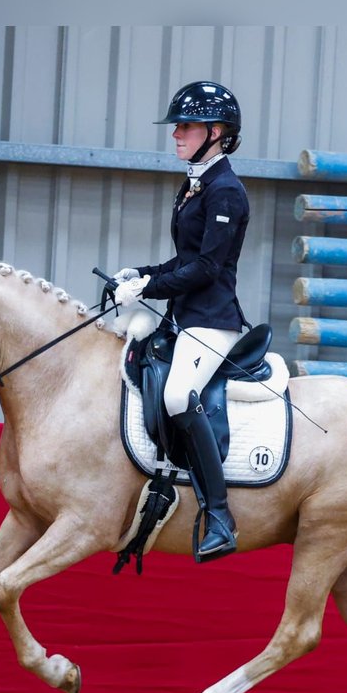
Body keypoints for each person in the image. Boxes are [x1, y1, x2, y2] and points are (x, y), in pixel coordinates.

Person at [113, 80, 251, 563]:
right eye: (178, 126)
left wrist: (147, 290)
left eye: (186, 126)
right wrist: (143, 273)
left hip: (213, 319)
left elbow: (208, 269)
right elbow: (183, 259)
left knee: (177, 395)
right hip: (185, 314)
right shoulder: (195, 185)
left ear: (216, 132)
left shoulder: (226, 192)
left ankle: (219, 514)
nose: (176, 134)